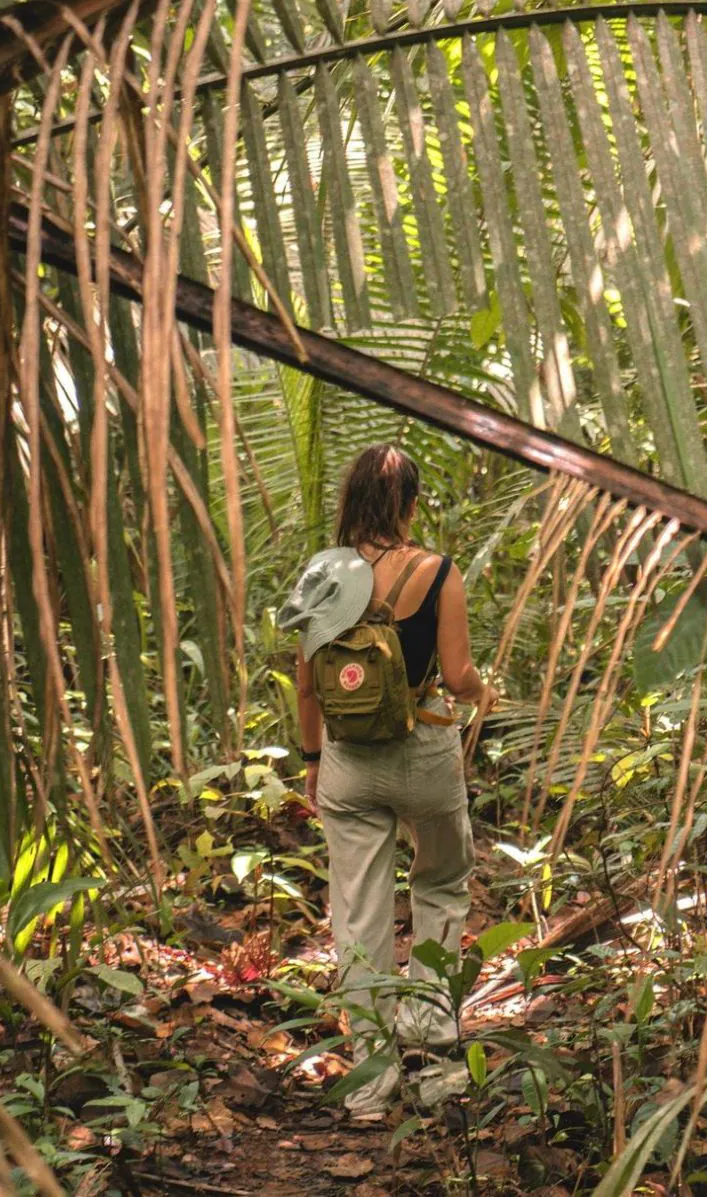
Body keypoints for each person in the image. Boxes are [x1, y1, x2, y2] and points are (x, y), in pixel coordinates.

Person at [287, 444, 496, 1119]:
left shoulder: (322, 572)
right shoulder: (438, 572)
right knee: (439, 882)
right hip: (426, 753)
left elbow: (307, 679)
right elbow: (459, 675)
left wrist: (312, 759)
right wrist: (488, 696)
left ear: (352, 501)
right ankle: (434, 1062)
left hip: (348, 761)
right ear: (408, 503)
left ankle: (372, 1083)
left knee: (359, 909)